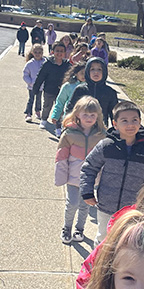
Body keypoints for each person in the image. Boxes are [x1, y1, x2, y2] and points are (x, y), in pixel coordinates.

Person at [79, 100, 144, 245]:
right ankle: (96, 266)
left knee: (128, 242)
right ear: (115, 124)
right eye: (124, 120)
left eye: (134, 120)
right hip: (107, 205)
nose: (130, 124)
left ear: (140, 122)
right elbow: (89, 167)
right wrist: (87, 191)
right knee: (104, 239)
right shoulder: (106, 145)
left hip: (133, 209)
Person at [55, 96, 107, 244]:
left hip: (91, 178)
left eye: (92, 115)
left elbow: (104, 159)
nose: (89, 118)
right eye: (85, 114)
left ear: (98, 115)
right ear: (77, 114)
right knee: (72, 204)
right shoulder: (69, 133)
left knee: (85, 204)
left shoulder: (101, 135)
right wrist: (61, 175)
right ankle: (67, 228)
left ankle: (80, 228)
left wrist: (102, 176)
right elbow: (61, 156)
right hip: (72, 175)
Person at [65, 57, 118, 126]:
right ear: (87, 72)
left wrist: (116, 129)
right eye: (92, 69)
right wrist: (69, 123)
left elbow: (115, 114)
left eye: (99, 69)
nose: (96, 72)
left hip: (100, 129)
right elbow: (71, 108)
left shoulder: (110, 92)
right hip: (81, 128)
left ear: (104, 72)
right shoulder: (80, 89)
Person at [32, 41, 71, 130]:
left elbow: (72, 75)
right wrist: (36, 88)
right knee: (47, 106)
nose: (59, 53)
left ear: (65, 53)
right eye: (57, 51)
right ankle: (44, 120)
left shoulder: (67, 64)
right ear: (53, 52)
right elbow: (40, 76)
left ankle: (59, 125)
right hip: (49, 89)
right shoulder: (48, 63)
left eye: (62, 51)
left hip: (62, 91)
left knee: (60, 108)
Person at [50, 63, 87, 138]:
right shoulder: (68, 86)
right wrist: (55, 115)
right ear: (76, 74)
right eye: (82, 73)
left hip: (85, 118)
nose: (84, 76)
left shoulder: (90, 86)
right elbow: (60, 101)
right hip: (70, 117)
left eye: (86, 73)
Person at [23, 43, 47, 122]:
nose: (37, 54)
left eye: (39, 52)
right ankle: (28, 113)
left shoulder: (45, 62)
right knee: (31, 99)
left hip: (40, 86)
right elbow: (25, 74)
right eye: (36, 52)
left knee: (39, 99)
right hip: (32, 86)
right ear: (32, 53)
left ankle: (37, 111)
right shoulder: (30, 64)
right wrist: (30, 82)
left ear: (42, 53)